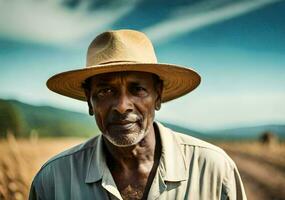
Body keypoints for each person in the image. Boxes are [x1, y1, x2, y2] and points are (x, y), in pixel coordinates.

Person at [29, 29, 247, 200]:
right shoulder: (53, 180)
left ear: (158, 96)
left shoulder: (213, 168)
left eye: (138, 89)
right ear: (89, 100)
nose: (122, 106)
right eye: (105, 91)